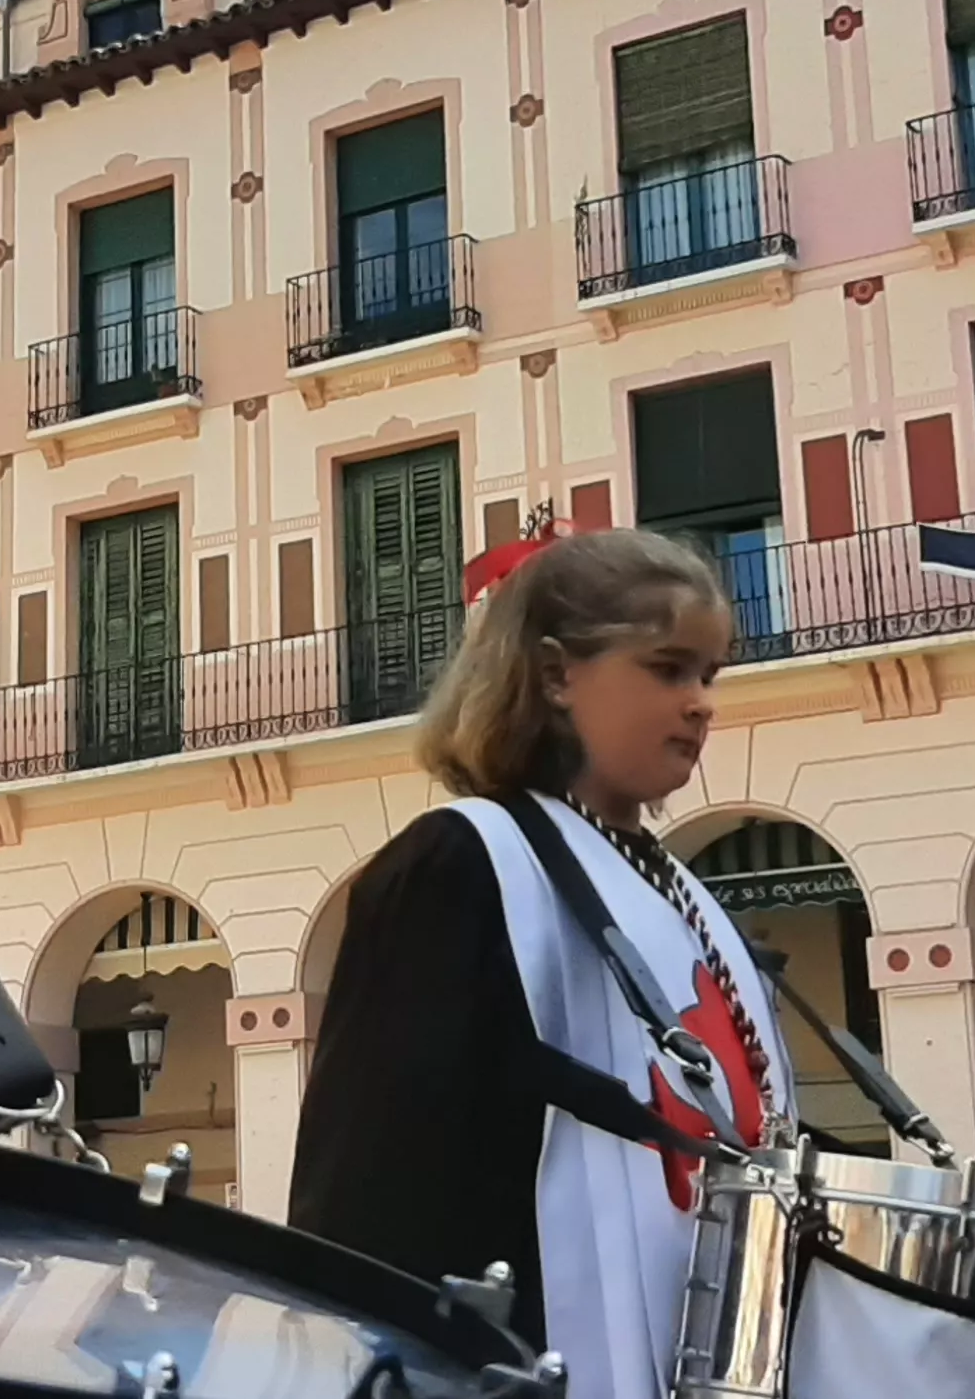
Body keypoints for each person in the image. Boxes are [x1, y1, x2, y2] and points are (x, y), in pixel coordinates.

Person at [289, 527, 767, 1398]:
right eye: (667, 669)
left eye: (710, 675)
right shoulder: (459, 865)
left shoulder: (684, 893)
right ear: (554, 677)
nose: (700, 702)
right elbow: (368, 1193)